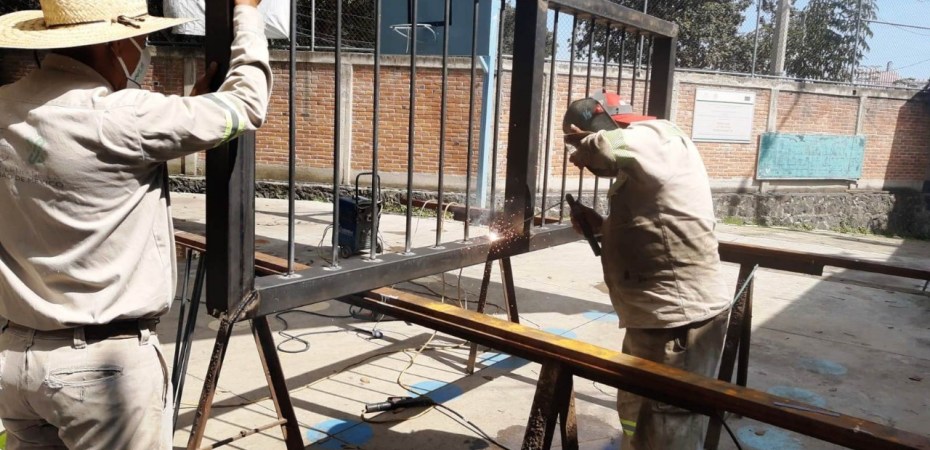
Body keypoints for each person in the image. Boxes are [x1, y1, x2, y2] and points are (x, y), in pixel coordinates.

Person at [0, 0, 271, 447]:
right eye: (140, 38)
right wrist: (245, 12)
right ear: (116, 44)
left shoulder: (7, 105)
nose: (143, 48)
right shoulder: (129, 117)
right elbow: (245, 105)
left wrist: (185, 110)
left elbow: (84, 157)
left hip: (15, 361)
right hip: (102, 372)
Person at [564, 91, 732, 450]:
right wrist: (601, 226)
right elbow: (653, 223)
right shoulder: (648, 158)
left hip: (677, 319)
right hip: (654, 316)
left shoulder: (658, 135)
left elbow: (603, 148)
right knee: (639, 413)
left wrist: (582, 144)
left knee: (666, 423)